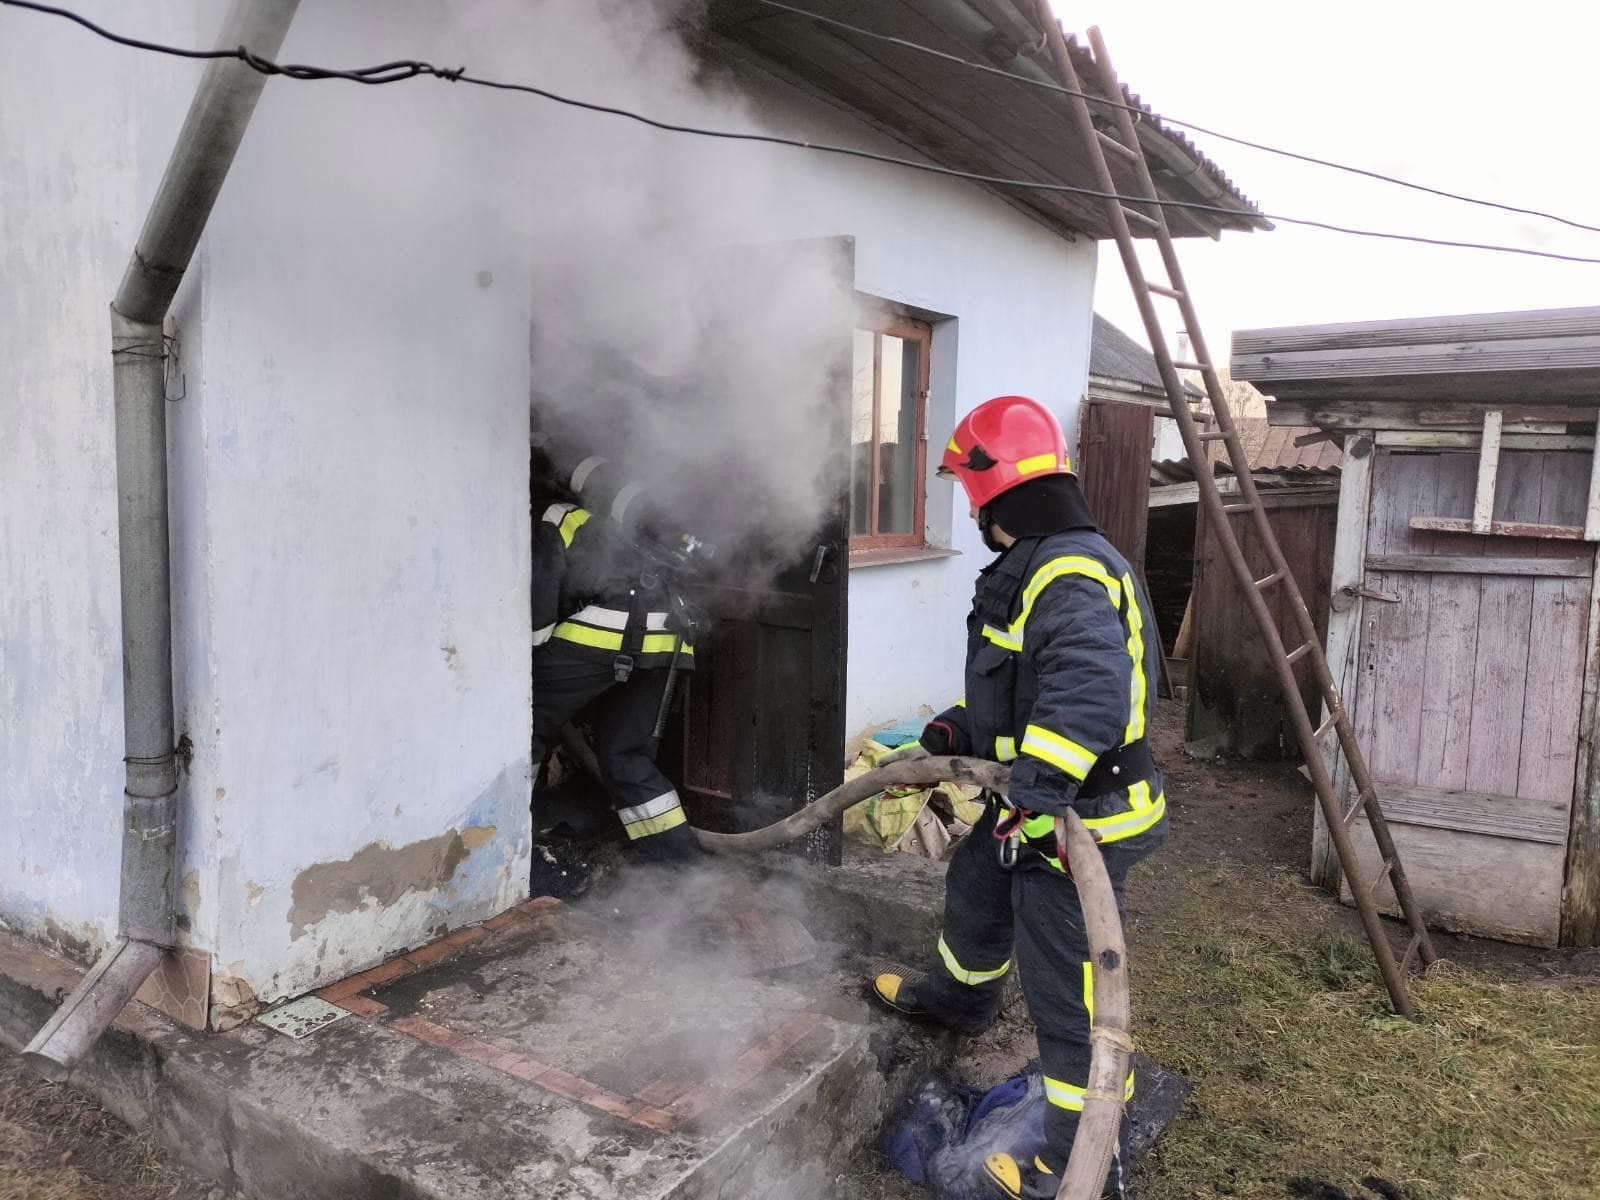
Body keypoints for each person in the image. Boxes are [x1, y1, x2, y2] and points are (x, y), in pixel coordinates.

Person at [869, 395, 1168, 1199]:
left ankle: (1082, 1160)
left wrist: (1034, 793)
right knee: (975, 885)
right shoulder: (1046, 560)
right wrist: (957, 731)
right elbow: (1029, 688)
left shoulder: (1065, 569)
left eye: (966, 494)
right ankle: (959, 1003)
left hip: (1084, 820)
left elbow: (1089, 692)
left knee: (1067, 989)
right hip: (1040, 804)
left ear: (988, 491)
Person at [530, 451, 699, 863]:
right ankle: (681, 867)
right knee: (627, 757)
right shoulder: (641, 531)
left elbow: (543, 592)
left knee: (523, 725)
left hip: (600, 638)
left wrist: (530, 655)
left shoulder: (557, 517)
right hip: (670, 644)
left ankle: (505, 847)